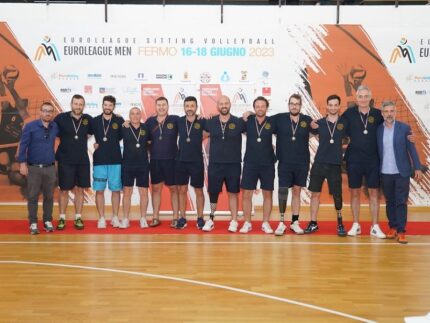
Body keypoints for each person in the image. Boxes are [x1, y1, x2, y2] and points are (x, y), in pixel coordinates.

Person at [342, 85, 385, 238]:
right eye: (361, 96)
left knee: (374, 193)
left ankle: (375, 226)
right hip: (354, 159)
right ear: (357, 98)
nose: (363, 99)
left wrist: (407, 134)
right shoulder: (349, 113)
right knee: (354, 192)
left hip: (373, 160)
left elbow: (390, 128)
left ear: (370, 98)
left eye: (366, 96)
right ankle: (356, 225)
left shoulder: (378, 114)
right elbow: (337, 127)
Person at [377, 101, 422, 244]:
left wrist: (417, 167)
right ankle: (393, 228)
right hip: (384, 172)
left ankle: (402, 231)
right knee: (390, 201)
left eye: (392, 111)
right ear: (382, 113)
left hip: (401, 171)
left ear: (395, 112)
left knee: (401, 202)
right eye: (386, 111)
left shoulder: (404, 128)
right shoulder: (378, 129)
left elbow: (412, 149)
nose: (389, 114)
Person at [305, 94, 348, 236]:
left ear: (339, 106)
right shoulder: (319, 123)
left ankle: (340, 223)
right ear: (327, 106)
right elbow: (307, 132)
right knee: (315, 194)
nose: (333, 107)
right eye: (331, 105)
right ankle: (313, 222)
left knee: (337, 195)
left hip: (335, 164)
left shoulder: (344, 123)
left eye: (336, 105)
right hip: (319, 163)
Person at [202, 95, 245, 232]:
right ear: (217, 106)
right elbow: (199, 130)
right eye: (221, 103)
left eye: (226, 103)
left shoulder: (238, 122)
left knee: (233, 193)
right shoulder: (210, 121)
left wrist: (249, 114)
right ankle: (211, 219)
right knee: (213, 192)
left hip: (233, 164)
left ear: (230, 104)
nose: (224, 105)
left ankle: (234, 220)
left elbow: (254, 126)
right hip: (215, 164)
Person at [273, 94, 313, 236]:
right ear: (288, 104)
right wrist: (250, 114)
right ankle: (281, 222)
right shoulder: (279, 119)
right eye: (292, 103)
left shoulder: (307, 120)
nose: (294, 106)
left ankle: (295, 222)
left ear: (300, 106)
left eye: (297, 104)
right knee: (283, 191)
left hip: (302, 162)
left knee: (296, 192)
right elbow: (262, 120)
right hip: (284, 162)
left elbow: (321, 130)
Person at [17, 102, 58, 234]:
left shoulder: (55, 126)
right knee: (33, 196)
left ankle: (47, 221)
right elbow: (23, 145)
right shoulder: (30, 126)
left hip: (50, 168)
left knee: (49, 197)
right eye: (45, 111)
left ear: (52, 113)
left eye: (50, 111)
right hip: (33, 168)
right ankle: (33, 223)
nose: (47, 113)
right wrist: (22, 163)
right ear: (40, 112)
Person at [54, 94, 92, 230]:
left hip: (82, 161)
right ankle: (62, 218)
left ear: (84, 106)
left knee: (80, 190)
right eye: (76, 104)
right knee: (64, 190)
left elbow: (99, 128)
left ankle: (78, 217)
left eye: (80, 104)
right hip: (65, 160)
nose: (78, 106)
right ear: (71, 104)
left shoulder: (88, 119)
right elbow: (52, 133)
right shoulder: (61, 118)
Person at [240, 96, 275, 234]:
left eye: (263, 106)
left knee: (268, 194)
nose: (260, 108)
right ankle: (247, 223)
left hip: (267, 163)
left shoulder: (273, 121)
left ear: (267, 107)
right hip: (250, 163)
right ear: (254, 108)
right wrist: (248, 113)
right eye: (257, 106)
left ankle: (265, 223)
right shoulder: (247, 120)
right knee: (247, 194)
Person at [145, 97, 179, 228]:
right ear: (155, 107)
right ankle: (155, 217)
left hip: (172, 160)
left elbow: (190, 122)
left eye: (163, 105)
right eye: (159, 105)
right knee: (156, 189)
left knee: (174, 189)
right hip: (155, 160)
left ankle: (175, 217)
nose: (161, 107)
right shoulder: (149, 121)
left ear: (168, 106)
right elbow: (143, 138)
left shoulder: (175, 120)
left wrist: (200, 116)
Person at [91, 95, 124, 229]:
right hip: (99, 161)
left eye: (110, 105)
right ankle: (101, 218)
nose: (107, 107)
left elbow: (123, 135)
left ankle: (115, 217)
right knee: (99, 191)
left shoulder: (119, 120)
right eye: (105, 105)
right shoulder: (95, 121)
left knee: (116, 190)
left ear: (113, 106)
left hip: (115, 160)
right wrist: (95, 144)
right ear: (102, 105)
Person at [175, 96, 206, 229]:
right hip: (181, 160)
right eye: (187, 106)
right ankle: (182, 218)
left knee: (199, 190)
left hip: (197, 161)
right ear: (184, 107)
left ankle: (200, 218)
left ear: (196, 107)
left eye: (192, 106)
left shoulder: (202, 121)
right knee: (182, 190)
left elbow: (214, 128)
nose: (189, 108)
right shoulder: (178, 121)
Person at [120, 107, 150, 229]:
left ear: (140, 115)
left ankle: (143, 218)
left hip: (143, 164)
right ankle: (126, 218)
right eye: (132, 114)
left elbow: (150, 143)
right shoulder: (124, 127)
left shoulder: (146, 128)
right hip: (127, 164)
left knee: (143, 193)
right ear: (129, 115)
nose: (135, 116)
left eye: (137, 114)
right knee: (127, 192)